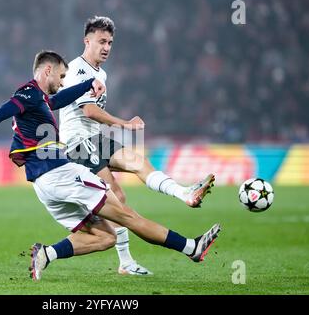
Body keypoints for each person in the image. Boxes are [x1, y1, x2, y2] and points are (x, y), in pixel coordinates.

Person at [0, 50, 222, 281]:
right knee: (128, 216)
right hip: (61, 173)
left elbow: (59, 100)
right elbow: (5, 109)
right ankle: (191, 248)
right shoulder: (28, 94)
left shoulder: (41, 100)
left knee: (105, 237)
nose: (63, 81)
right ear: (47, 71)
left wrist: (89, 83)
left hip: (44, 186)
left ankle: (46, 254)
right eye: (61, 76)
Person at [59, 16, 215, 275]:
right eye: (101, 42)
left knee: (138, 164)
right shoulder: (78, 69)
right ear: (87, 41)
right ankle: (126, 261)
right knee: (118, 200)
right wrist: (125, 123)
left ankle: (185, 194)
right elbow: (88, 111)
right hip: (77, 143)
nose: (106, 47)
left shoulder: (101, 72)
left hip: (95, 139)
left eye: (110, 42)